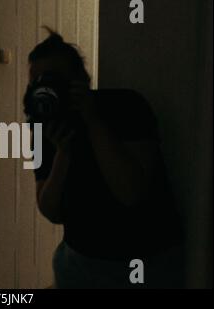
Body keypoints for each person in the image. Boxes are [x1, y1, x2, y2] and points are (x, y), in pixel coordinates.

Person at [26, 29, 184, 288]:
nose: (45, 89)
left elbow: (132, 193)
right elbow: (50, 210)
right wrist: (63, 154)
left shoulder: (125, 106)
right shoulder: (45, 127)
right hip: (78, 260)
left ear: (81, 80)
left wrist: (92, 120)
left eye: (53, 80)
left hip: (145, 262)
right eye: (37, 82)